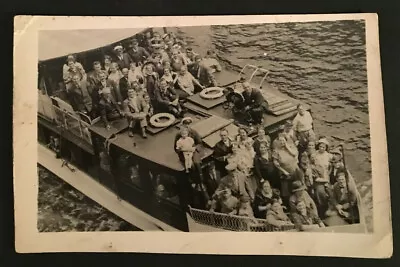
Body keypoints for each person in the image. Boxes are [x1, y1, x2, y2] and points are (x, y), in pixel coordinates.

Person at [174, 118, 204, 183]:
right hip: (184, 152)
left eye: (188, 124)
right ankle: (193, 179)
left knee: (197, 162)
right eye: (185, 125)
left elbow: (199, 142)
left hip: (193, 150)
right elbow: (176, 147)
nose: (187, 126)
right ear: (182, 125)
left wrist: (195, 148)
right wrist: (181, 149)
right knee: (191, 165)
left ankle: (201, 177)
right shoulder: (179, 135)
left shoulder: (194, 132)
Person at [272, 134, 299, 204]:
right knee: (286, 191)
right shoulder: (276, 151)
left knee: (296, 187)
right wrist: (284, 171)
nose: (282, 142)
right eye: (280, 141)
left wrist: (287, 147)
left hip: (294, 170)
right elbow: (275, 163)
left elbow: (294, 154)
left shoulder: (291, 147)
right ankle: (288, 205)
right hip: (284, 173)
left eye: (283, 140)